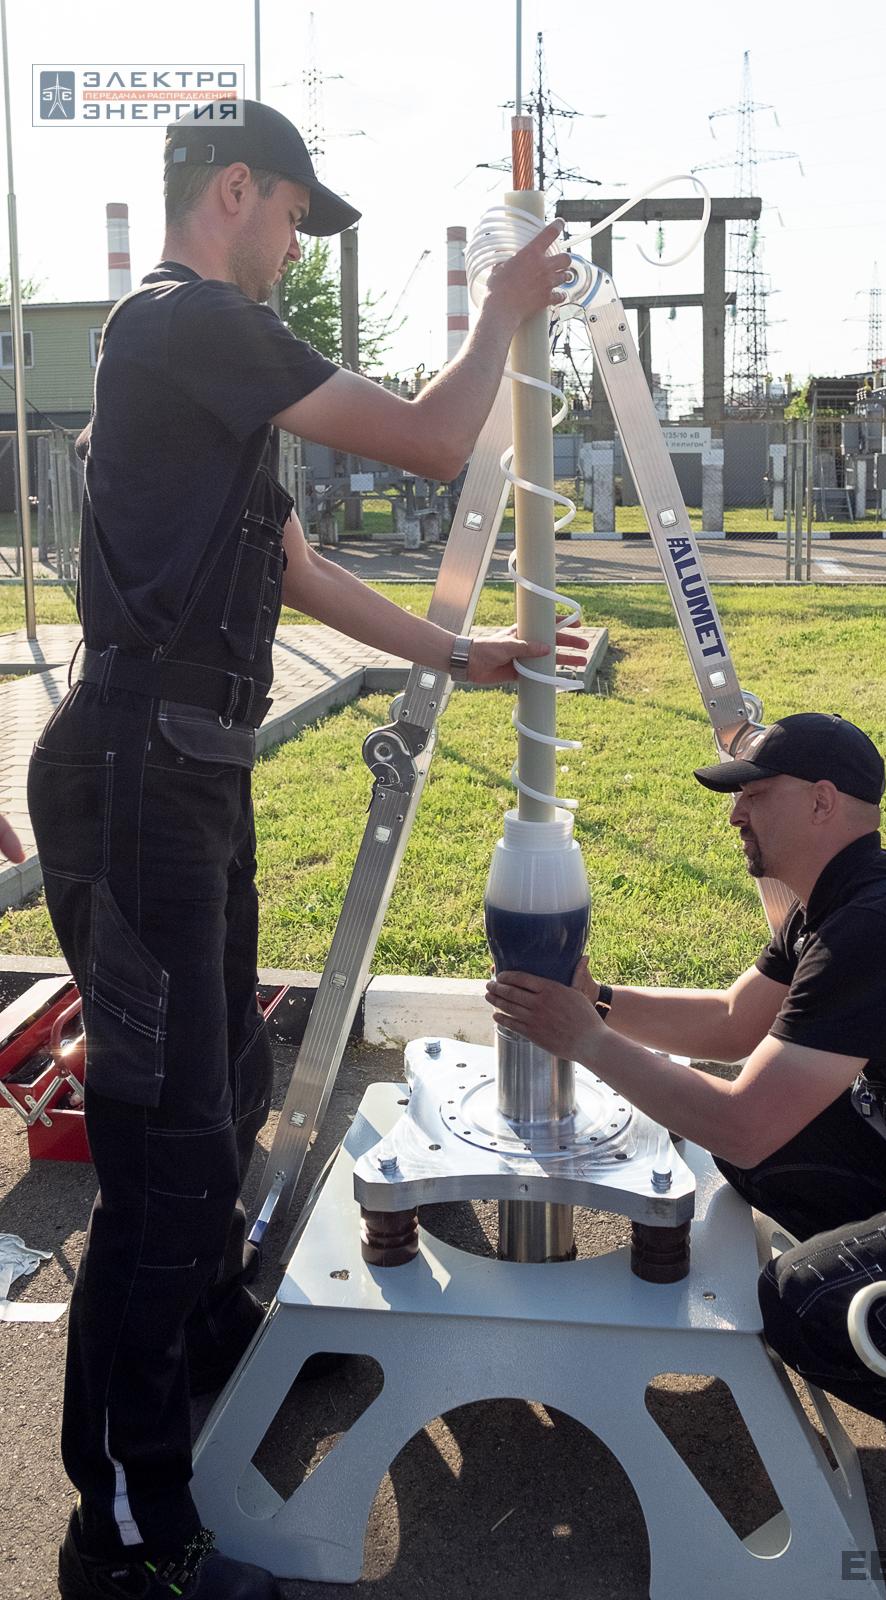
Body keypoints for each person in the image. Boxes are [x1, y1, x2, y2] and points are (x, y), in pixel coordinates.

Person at [33, 99, 580, 1600]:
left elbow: (296, 565)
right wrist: (501, 309)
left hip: (180, 775)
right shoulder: (186, 321)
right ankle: (127, 1539)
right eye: (291, 217)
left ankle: (203, 1339)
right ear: (232, 194)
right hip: (143, 772)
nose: (295, 247)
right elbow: (427, 440)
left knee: (222, 1092)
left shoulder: (201, 371)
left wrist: (453, 654)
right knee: (163, 1158)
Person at [488, 712, 886, 1506]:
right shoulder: (838, 903)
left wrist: (585, 1040)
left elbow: (739, 1117)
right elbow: (734, 1021)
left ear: (822, 802)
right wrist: (600, 1002)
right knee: (768, 1150)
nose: (733, 814)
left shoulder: (878, 926)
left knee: (812, 1302)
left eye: (753, 795)